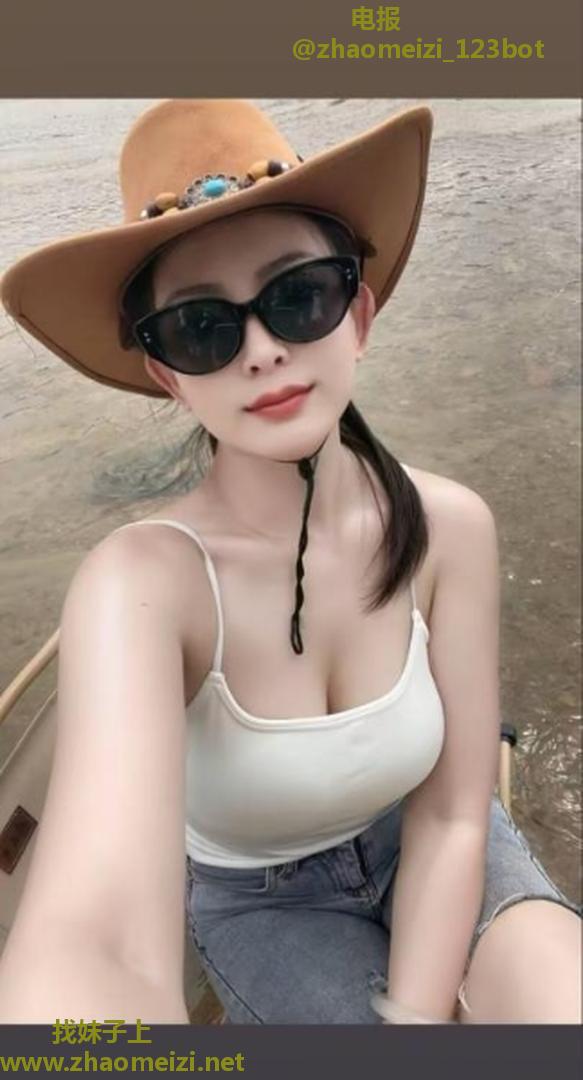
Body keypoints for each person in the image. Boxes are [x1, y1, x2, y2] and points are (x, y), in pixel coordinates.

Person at [0, 99, 580, 1025]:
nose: (264, 351)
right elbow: (98, 934)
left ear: (359, 313)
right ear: (166, 374)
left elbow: (450, 815)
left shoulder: (450, 528)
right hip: (260, 901)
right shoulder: (142, 585)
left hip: (421, 832)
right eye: (202, 327)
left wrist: (417, 1018)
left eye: (298, 295)